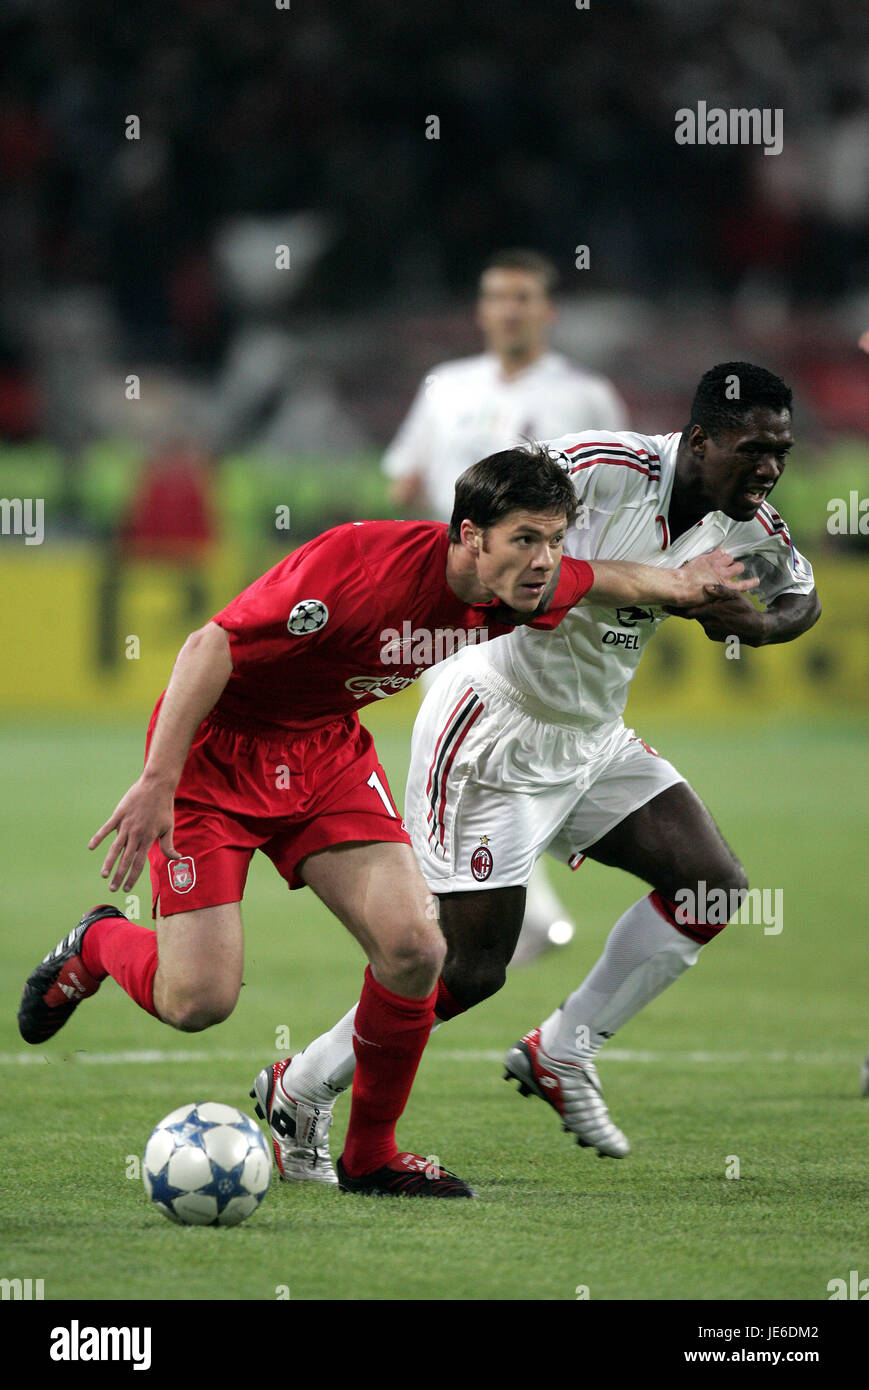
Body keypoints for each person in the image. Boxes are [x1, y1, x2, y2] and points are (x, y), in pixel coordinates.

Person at [17, 445, 753, 1198]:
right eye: (527, 540)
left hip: (325, 753)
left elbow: (603, 578)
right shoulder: (357, 570)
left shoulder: (523, 580)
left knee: (414, 950)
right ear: (470, 536)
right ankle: (99, 943)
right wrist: (157, 781)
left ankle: (369, 1155)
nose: (546, 561)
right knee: (197, 1002)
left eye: (555, 540)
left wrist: (683, 586)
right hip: (215, 763)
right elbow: (209, 646)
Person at [273, 361, 820, 1172]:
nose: (769, 468)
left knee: (710, 885)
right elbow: (492, 504)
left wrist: (759, 624)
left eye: (781, 449)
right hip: (493, 725)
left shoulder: (749, 522)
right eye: (752, 449)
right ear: (700, 440)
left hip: (593, 736)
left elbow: (801, 594)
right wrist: (649, 588)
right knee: (469, 967)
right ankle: (300, 1087)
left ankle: (562, 1049)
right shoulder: (603, 466)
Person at [384, 247, 629, 963]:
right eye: (497, 296)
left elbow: (618, 498)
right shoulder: (444, 388)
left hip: (535, 597)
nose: (509, 309)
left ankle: (495, 907)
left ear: (546, 311)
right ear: (481, 309)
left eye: (523, 297)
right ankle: (501, 909)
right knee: (459, 753)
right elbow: (403, 481)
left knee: (510, 752)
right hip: (451, 595)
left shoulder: (585, 395)